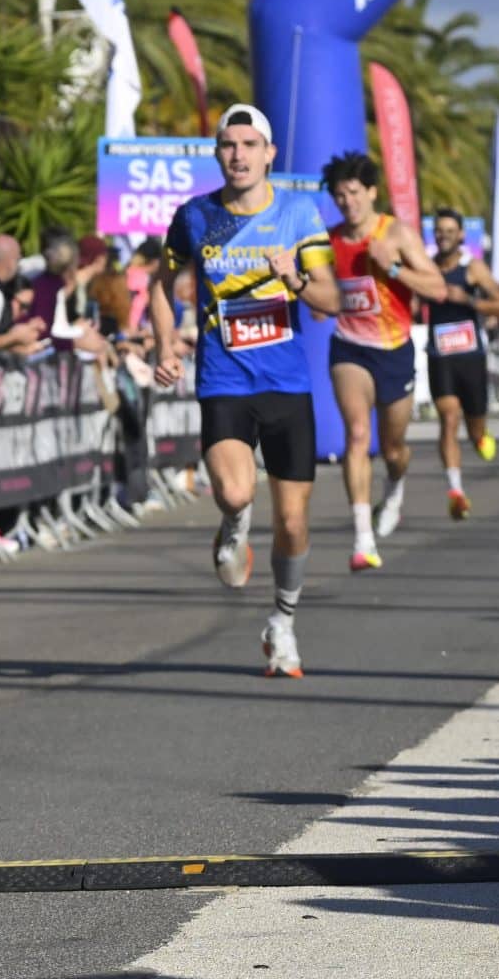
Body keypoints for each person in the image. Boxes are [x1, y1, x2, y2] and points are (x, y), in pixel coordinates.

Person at [149, 104, 339, 680]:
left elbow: (331, 300)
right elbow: (162, 284)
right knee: (234, 492)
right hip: (224, 379)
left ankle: (283, 622)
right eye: (228, 145)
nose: (238, 154)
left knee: (293, 524)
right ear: (217, 153)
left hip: (287, 385)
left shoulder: (298, 212)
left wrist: (294, 279)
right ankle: (233, 525)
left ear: (269, 154)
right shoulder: (195, 216)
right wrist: (165, 346)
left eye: (249, 144)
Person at [322, 152, 446, 570]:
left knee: (393, 450)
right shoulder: (330, 240)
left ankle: (394, 491)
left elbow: (437, 288)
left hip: (394, 349)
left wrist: (392, 267)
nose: (348, 202)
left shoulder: (396, 233)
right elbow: (323, 293)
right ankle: (363, 539)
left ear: (372, 192)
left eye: (354, 193)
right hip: (349, 348)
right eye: (340, 196)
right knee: (358, 435)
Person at [421, 208, 499, 517]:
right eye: (438, 230)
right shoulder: (427, 269)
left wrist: (468, 300)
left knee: (474, 428)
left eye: (449, 231)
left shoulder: (473, 268)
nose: (443, 236)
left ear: (460, 235)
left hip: (470, 357)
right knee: (448, 419)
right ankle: (455, 492)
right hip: (440, 356)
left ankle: (480, 435)